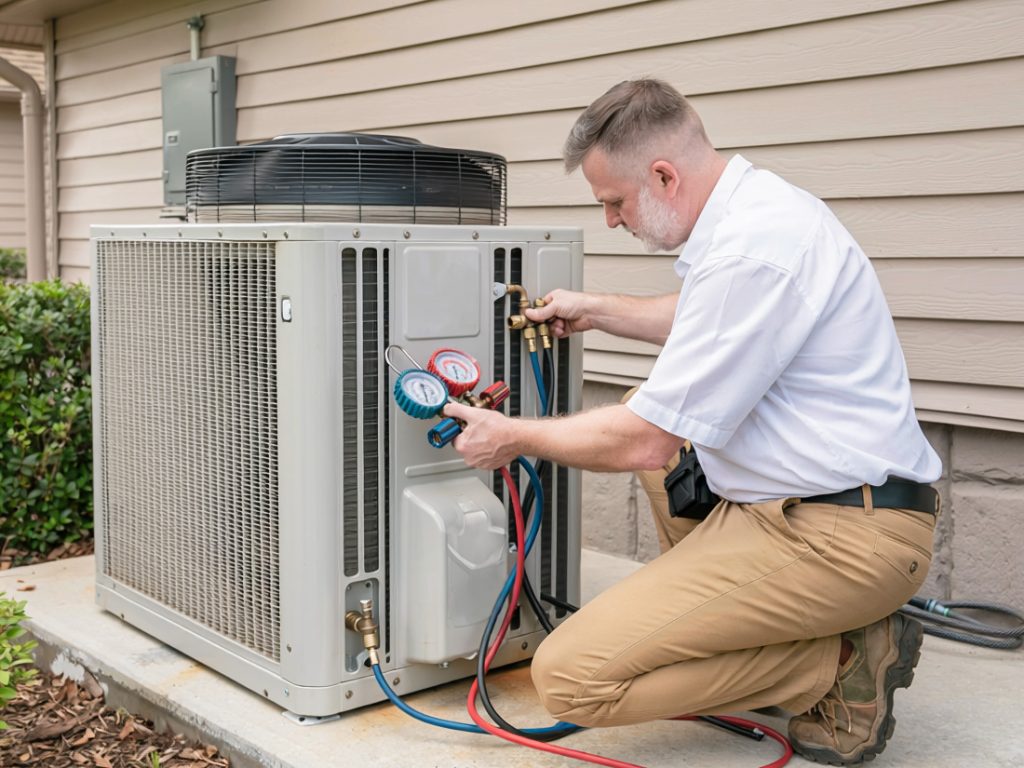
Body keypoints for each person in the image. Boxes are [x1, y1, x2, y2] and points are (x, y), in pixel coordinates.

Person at [442, 78, 942, 765]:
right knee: (637, 414)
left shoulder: (754, 248)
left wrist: (514, 437)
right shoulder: (756, 212)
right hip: (792, 505)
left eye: (615, 202)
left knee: (571, 678)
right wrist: (595, 308)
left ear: (663, 176)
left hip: (843, 535)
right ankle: (758, 635)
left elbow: (647, 442)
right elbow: (710, 319)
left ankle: (838, 660)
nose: (612, 220)